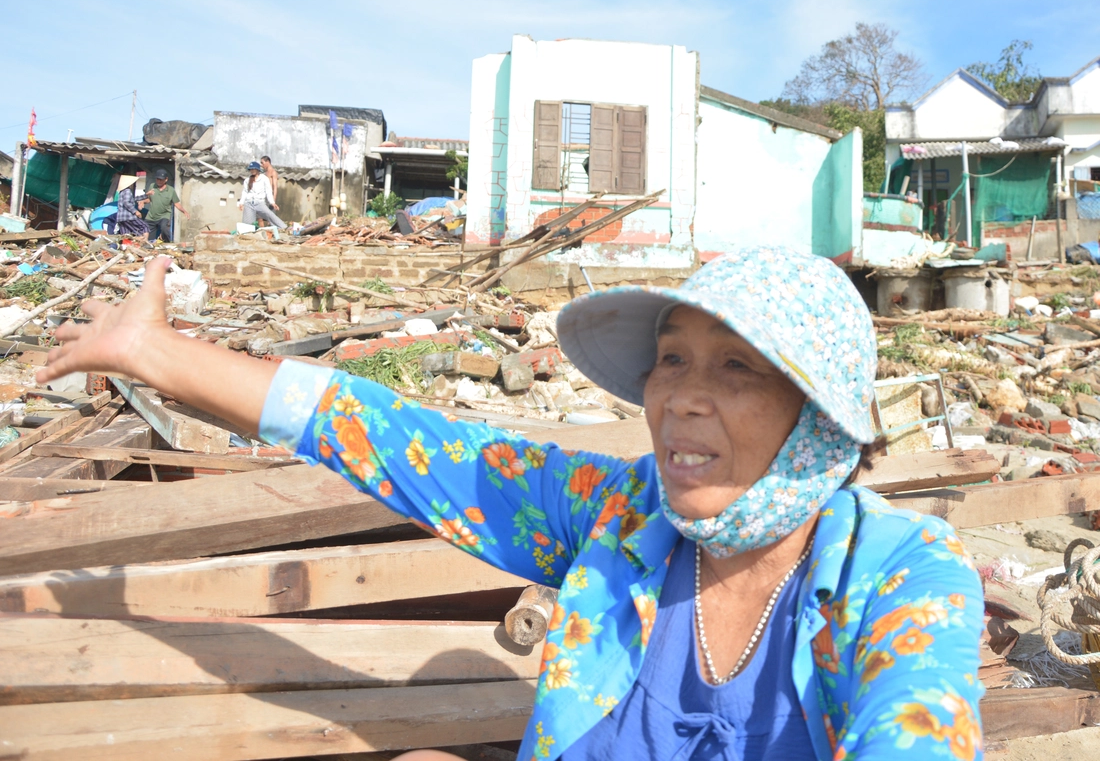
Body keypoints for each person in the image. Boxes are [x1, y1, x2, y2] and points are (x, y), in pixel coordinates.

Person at [36, 247, 984, 761]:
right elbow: (409, 445)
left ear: (819, 421)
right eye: (672, 359)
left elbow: (919, 725)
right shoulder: (618, 519)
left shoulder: (900, 578)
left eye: (737, 367)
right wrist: (155, 356)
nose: (682, 396)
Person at [144, 168, 189, 243]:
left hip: (164, 215)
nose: (159, 181)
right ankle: (150, 247)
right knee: (148, 233)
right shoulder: (152, 186)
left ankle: (167, 244)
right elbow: (149, 199)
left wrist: (184, 211)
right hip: (151, 215)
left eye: (161, 179)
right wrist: (142, 202)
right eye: (157, 179)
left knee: (164, 228)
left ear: (166, 179)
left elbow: (176, 203)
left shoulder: (171, 190)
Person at [238, 161, 285, 229]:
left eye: (254, 169)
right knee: (247, 224)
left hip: (259, 202)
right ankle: (248, 237)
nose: (252, 170)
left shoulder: (264, 179)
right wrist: (241, 203)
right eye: (251, 169)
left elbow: (268, 191)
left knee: (270, 215)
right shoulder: (247, 180)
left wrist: (272, 202)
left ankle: (283, 227)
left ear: (257, 170)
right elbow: (245, 192)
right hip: (249, 203)